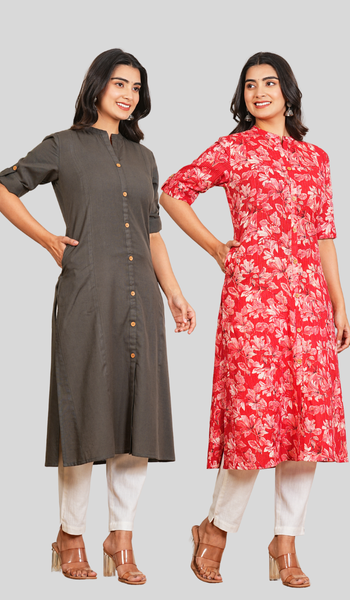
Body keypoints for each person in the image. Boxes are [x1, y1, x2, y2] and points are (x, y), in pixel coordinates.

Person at [0, 48, 195, 585]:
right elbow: (4, 187)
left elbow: (152, 232)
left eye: (136, 87)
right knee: (83, 415)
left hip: (140, 301)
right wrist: (46, 239)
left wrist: (174, 293)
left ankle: (121, 537)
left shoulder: (144, 157)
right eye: (119, 83)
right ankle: (70, 535)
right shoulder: (62, 145)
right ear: (97, 86)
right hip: (87, 294)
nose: (128, 94)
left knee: (137, 418)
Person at [160, 51, 350, 588]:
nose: (259, 92)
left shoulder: (316, 159)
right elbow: (173, 192)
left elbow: (324, 235)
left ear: (288, 93)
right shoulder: (234, 149)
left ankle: (285, 543)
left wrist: (339, 303)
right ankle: (216, 529)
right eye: (249, 85)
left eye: (269, 83)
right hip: (252, 302)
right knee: (252, 421)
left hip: (308, 302)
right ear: (242, 97)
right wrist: (217, 249)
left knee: (307, 425)